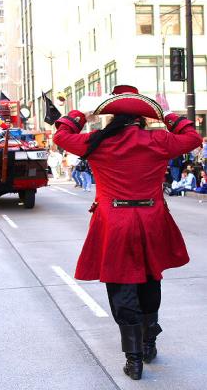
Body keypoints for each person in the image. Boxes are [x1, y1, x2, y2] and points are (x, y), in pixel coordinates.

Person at [52, 85, 202, 380]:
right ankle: (148, 343)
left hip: (115, 222)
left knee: (122, 287)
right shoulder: (158, 138)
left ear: (111, 116)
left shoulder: (98, 141)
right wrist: (168, 112)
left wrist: (82, 112)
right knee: (149, 280)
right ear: (144, 118)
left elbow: (60, 136)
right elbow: (193, 137)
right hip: (151, 219)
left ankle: (133, 360)